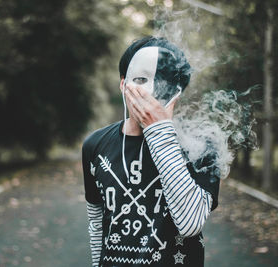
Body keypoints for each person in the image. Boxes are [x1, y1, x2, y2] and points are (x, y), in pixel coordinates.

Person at [82, 36, 220, 267]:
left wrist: (158, 130)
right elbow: (97, 223)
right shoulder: (94, 145)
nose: (151, 90)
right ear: (123, 84)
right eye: (140, 79)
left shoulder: (202, 147)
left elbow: (190, 223)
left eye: (163, 81)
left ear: (177, 92)